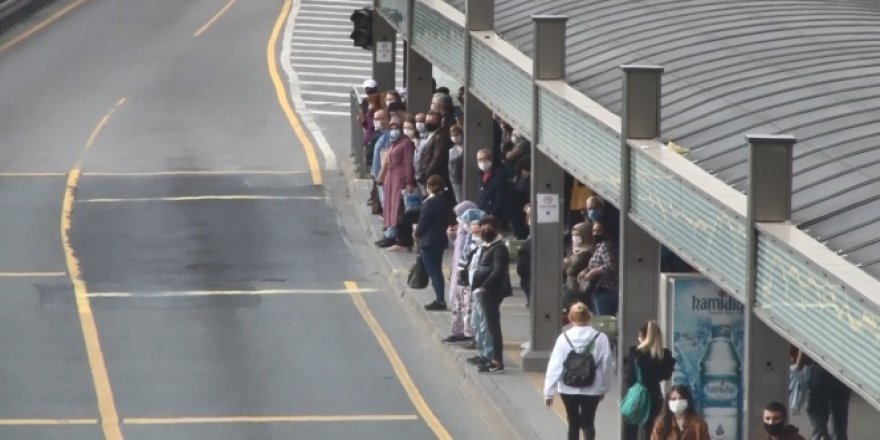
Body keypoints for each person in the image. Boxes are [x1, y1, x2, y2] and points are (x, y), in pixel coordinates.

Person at [543, 302, 613, 440]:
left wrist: (548, 392)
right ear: (589, 317)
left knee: (573, 423)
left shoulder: (564, 338)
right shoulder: (601, 338)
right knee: (588, 423)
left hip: (567, 387)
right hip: (592, 386)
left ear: (570, 317)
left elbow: (555, 365)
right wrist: (603, 388)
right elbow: (606, 365)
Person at [470, 215, 512, 373]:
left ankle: (496, 360)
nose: (485, 230)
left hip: (490, 292)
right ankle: (485, 356)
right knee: (481, 323)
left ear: (496, 229)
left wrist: (485, 286)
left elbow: (499, 270)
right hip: (481, 291)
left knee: (491, 326)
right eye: (483, 228)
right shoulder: (487, 246)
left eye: (489, 228)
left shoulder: (499, 248)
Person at [623, 321, 676, 440]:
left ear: (643, 337)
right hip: (655, 395)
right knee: (651, 430)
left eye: (639, 336)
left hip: (638, 394)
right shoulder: (663, 355)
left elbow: (630, 378)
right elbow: (666, 376)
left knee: (631, 427)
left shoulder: (636, 354)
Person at [442, 207, 483, 344]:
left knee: (469, 308)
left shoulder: (479, 239)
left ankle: (469, 334)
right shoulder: (466, 234)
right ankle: (458, 331)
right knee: (458, 305)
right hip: (461, 274)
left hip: (471, 278)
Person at [416, 175, 452, 311]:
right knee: (437, 269)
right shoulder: (444, 201)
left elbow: (423, 222)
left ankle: (440, 300)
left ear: (429, 187)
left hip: (428, 241)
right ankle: (440, 299)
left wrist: (417, 233)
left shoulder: (429, 203)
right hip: (440, 239)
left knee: (434, 271)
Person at [795, 349, 851, 440]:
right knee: (840, 411)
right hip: (843, 369)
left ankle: (820, 435)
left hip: (819, 367)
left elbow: (804, 343)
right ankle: (839, 437)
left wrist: (798, 366)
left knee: (816, 409)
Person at [380, 120, 416, 241]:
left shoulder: (406, 143)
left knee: (397, 204)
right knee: (389, 203)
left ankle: (395, 232)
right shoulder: (393, 142)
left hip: (399, 177)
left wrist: (409, 181)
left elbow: (408, 163)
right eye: (391, 128)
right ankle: (389, 228)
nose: (393, 130)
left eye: (396, 128)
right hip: (390, 176)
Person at [579, 220, 618, 316]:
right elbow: (595, 264)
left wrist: (593, 273)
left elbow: (611, 265)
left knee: (603, 319)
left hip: (605, 289)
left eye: (599, 231)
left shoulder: (606, 245)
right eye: (594, 231)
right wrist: (586, 270)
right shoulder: (598, 246)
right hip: (596, 289)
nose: (596, 234)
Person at [476, 149, 507, 221]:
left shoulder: (499, 174)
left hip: (495, 214)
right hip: (483, 212)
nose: (483, 162)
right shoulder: (481, 175)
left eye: (485, 159)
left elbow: (500, 196)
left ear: (491, 159)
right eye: (480, 160)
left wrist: (494, 213)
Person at [448, 125, 465, 202]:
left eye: (457, 134)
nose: (455, 137)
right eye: (452, 135)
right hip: (456, 180)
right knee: (460, 200)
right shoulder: (451, 151)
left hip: (468, 178)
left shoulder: (467, 147)